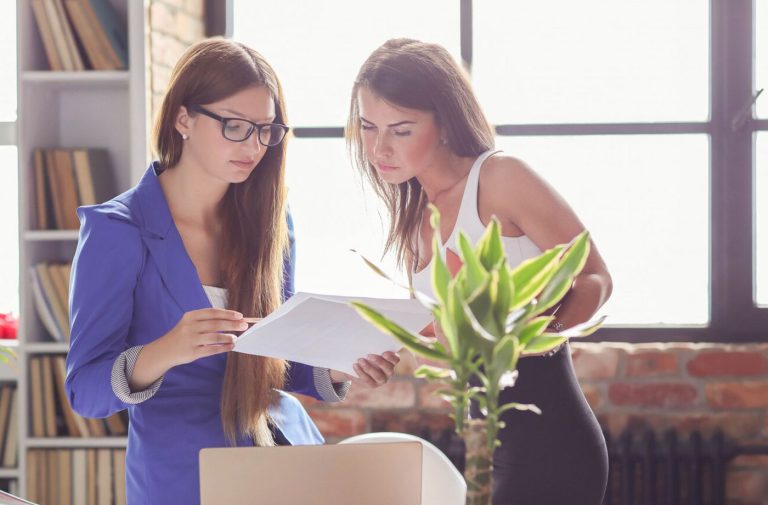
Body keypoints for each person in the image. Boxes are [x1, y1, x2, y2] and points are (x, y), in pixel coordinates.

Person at [65, 38, 400, 505]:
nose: (254, 146)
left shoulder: (271, 222)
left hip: (282, 458)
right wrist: (166, 350)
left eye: (266, 129)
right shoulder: (117, 230)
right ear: (184, 119)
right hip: (184, 476)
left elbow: (274, 360)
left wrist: (343, 363)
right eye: (235, 126)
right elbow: (85, 391)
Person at [346, 38, 613, 505]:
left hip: (550, 440)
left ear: (445, 123)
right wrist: (384, 349)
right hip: (482, 444)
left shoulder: (499, 178)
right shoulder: (414, 218)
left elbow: (595, 277)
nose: (378, 147)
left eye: (400, 130)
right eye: (368, 127)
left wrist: (530, 335)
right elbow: (444, 346)